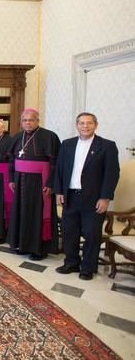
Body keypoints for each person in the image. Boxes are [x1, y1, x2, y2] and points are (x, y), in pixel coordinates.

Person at [54, 112, 119, 280]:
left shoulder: (107, 146)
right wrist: (59, 191)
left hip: (94, 199)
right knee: (70, 232)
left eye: (89, 123)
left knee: (91, 233)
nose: (85, 126)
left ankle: (88, 267)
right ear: (77, 125)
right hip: (70, 196)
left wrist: (105, 197)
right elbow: (59, 169)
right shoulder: (67, 144)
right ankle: (71, 263)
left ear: (95, 125)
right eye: (82, 123)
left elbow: (112, 174)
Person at [7, 108, 61, 261]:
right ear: (21, 122)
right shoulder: (17, 137)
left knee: (37, 213)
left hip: (39, 183)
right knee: (21, 212)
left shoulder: (49, 136)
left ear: (38, 121)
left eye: (31, 120)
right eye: (25, 120)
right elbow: (11, 161)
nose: (28, 123)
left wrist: (51, 183)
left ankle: (39, 249)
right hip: (20, 181)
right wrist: (11, 179)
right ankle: (23, 245)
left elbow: (55, 162)